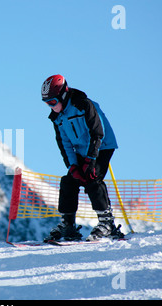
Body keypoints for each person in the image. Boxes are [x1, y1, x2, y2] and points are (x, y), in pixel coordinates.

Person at [41, 74, 124, 241]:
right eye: (47, 103)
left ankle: (107, 223)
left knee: (92, 177)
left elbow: (98, 133)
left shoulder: (84, 105)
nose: (50, 107)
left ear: (63, 95)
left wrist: (90, 160)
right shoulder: (58, 118)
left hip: (101, 146)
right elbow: (64, 144)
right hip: (81, 151)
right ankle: (68, 225)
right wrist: (72, 166)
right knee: (69, 181)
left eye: (52, 102)